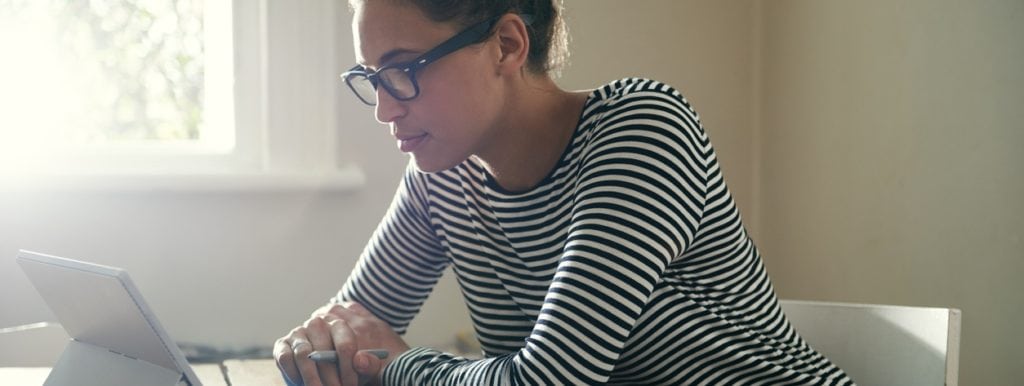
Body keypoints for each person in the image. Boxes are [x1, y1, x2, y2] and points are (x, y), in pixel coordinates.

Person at [274, 0, 856, 385]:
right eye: (370, 77)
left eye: (403, 69)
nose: (384, 107)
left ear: (506, 43)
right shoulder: (441, 178)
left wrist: (399, 367)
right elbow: (350, 329)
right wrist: (310, 349)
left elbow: (551, 381)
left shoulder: (642, 130)